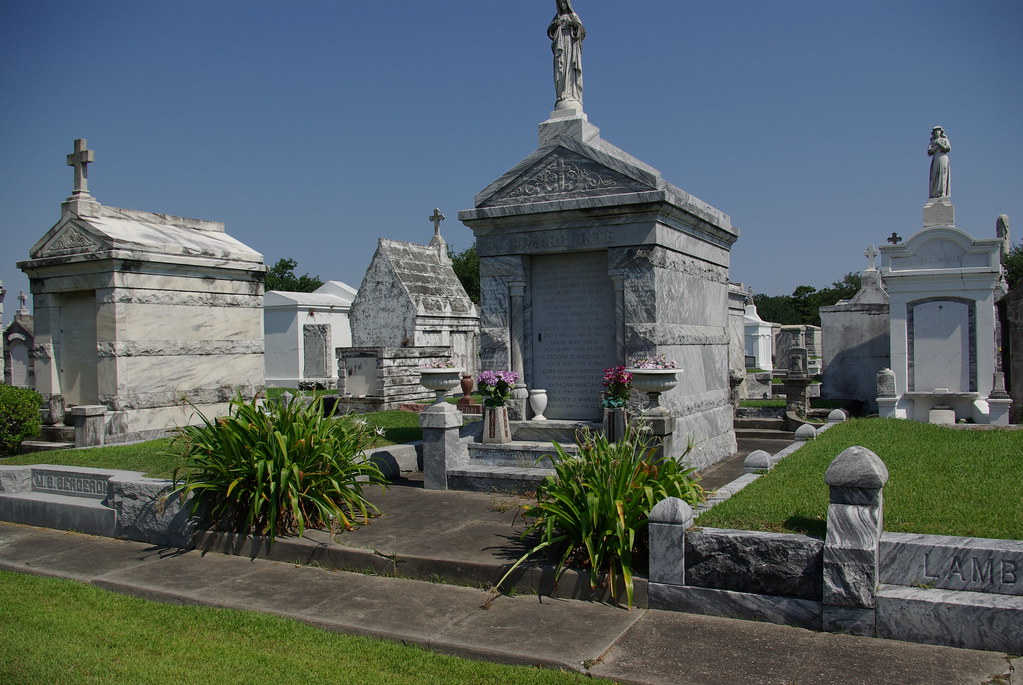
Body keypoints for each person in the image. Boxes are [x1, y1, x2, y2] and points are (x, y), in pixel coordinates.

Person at [548, 0, 585, 109]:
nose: (562, 5)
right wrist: (556, 26)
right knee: (561, 70)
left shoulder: (574, 16)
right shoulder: (557, 18)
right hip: (560, 47)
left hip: (571, 47)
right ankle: (562, 95)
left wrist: (573, 25)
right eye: (560, 3)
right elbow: (550, 32)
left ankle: (572, 95)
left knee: (570, 70)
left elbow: (582, 32)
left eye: (564, 2)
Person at [928, 126, 951, 198]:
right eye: (935, 131)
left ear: (941, 132)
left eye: (938, 131)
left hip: (943, 157)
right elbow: (929, 151)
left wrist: (939, 144)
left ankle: (942, 192)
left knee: (942, 174)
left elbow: (947, 148)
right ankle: (933, 193)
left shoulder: (945, 139)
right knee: (934, 176)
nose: (937, 132)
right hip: (935, 158)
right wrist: (936, 145)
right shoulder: (932, 141)